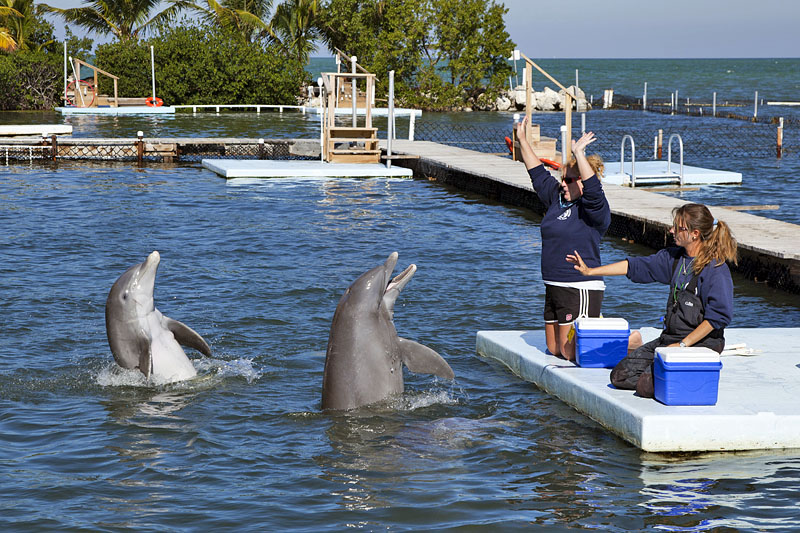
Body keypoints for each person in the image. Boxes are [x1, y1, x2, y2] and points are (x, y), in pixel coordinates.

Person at [566, 203, 737, 397]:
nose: (671, 230)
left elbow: (718, 318)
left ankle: (680, 373)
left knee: (645, 386)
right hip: (671, 339)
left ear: (695, 233)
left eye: (678, 228)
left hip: (701, 343)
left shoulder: (715, 270)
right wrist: (590, 271)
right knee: (620, 376)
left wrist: (683, 346)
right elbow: (635, 267)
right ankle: (659, 366)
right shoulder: (674, 259)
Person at [515, 116, 611, 360]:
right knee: (555, 349)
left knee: (570, 353)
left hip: (578, 287)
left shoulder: (594, 210)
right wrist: (522, 140)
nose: (563, 184)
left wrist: (579, 153)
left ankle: (625, 340)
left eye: (569, 180)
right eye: (562, 179)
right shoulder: (557, 199)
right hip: (553, 285)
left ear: (582, 181)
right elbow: (536, 173)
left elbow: (594, 190)